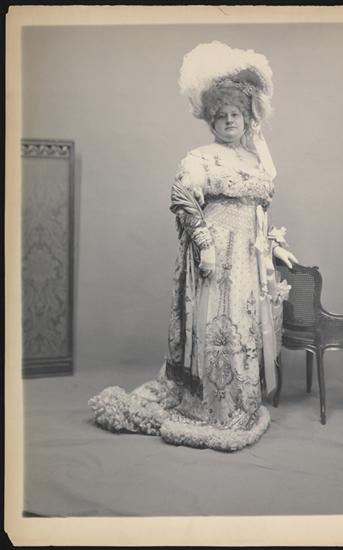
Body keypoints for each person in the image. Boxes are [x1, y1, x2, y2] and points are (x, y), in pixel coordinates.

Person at [89, 41, 298, 452]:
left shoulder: (256, 162)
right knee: (217, 329)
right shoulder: (201, 157)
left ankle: (241, 406)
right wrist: (204, 243)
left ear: (247, 117)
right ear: (212, 121)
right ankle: (213, 410)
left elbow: (260, 212)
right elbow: (182, 196)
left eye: (235, 113)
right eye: (221, 115)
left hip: (248, 259)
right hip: (215, 258)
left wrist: (275, 246)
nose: (229, 120)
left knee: (244, 331)